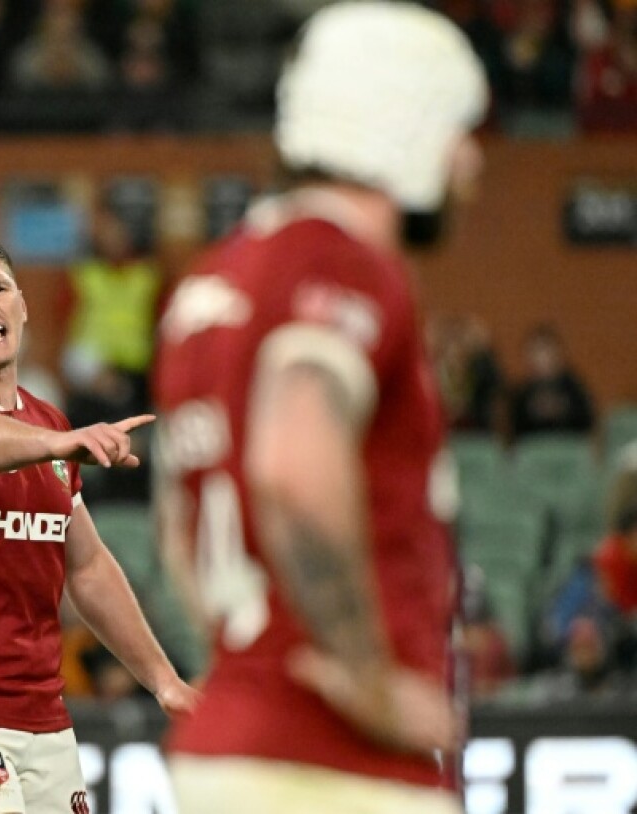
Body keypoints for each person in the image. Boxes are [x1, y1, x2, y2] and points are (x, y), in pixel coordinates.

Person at [152, 4, 490, 813]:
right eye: (456, 129)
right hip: (330, 764)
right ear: (400, 123)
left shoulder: (210, 283)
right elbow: (292, 466)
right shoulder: (340, 262)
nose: (470, 159)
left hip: (228, 742)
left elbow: (177, 533)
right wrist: (370, 684)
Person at [0, 235, 198, 813]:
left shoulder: (46, 422)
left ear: (22, 304)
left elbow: (90, 567)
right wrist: (60, 442)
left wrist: (164, 681)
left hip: (44, 716)